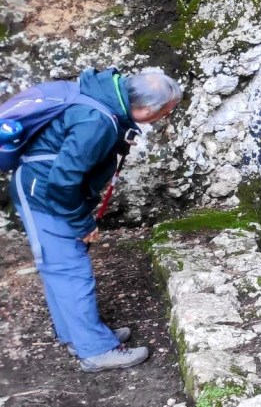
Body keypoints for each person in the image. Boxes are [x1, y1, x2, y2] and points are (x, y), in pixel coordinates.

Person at [8, 67, 181, 372]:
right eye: (165, 111)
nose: (164, 117)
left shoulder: (104, 104)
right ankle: (96, 350)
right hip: (44, 193)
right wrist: (82, 223)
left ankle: (77, 335)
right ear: (147, 108)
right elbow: (63, 180)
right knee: (71, 271)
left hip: (43, 188)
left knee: (61, 268)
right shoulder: (97, 121)